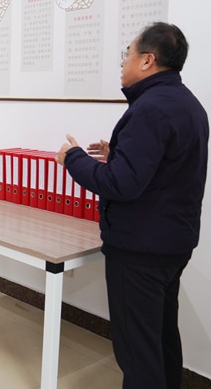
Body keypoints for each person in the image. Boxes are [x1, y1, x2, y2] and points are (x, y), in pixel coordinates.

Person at [56, 22, 208, 389]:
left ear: (147, 60)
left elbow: (120, 184)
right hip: (173, 244)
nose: (123, 62)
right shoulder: (189, 105)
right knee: (161, 337)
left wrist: (72, 158)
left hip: (140, 249)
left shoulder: (150, 109)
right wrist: (118, 154)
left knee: (138, 352)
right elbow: (168, 169)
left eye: (127, 54)